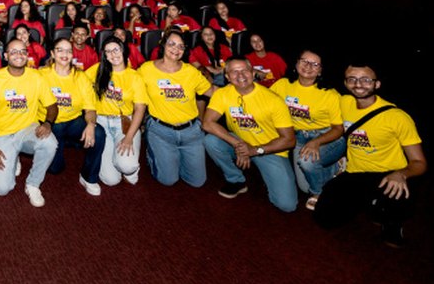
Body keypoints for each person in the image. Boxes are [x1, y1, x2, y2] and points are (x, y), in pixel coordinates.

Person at [314, 64, 427, 247]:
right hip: (356, 173)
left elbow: (419, 162)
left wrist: (402, 174)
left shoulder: (397, 117)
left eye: (366, 80)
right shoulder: (344, 102)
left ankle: (392, 222)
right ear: (345, 83)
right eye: (352, 79)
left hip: (387, 174)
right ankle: (369, 203)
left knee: (399, 191)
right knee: (324, 219)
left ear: (377, 84)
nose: (358, 84)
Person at [202, 57, 298, 212]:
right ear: (227, 77)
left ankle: (269, 176)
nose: (240, 75)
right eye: (234, 71)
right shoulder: (222, 94)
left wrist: (255, 150)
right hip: (241, 141)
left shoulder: (273, 100)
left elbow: (289, 140)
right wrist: (238, 144)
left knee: (287, 205)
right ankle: (236, 180)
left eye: (245, 70)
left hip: (269, 149)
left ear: (253, 73)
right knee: (211, 141)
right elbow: (207, 123)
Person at [0, 39, 59, 207]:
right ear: (6, 56)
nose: (19, 55)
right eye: (13, 52)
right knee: (2, 189)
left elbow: (52, 106)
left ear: (27, 56)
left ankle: (33, 184)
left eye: (22, 51)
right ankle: (13, 158)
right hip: (1, 135)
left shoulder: (36, 77)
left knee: (50, 143)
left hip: (26, 130)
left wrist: (48, 123)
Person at [269, 51, 345, 210]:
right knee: (304, 186)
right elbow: (266, 105)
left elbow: (338, 129)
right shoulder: (282, 85)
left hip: (327, 137)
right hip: (298, 138)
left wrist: (316, 142)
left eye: (315, 64)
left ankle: (318, 192)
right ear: (296, 64)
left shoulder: (329, 94)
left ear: (320, 70)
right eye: (304, 61)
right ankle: (336, 166)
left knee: (307, 164)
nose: (308, 66)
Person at [137, 30, 215, 187]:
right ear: (163, 45)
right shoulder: (146, 70)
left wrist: (240, 92)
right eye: (171, 44)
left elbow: (213, 91)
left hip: (191, 133)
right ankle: (153, 153)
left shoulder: (191, 72)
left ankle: (174, 158)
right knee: (168, 180)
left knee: (197, 182)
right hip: (161, 131)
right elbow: (129, 88)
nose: (176, 49)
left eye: (181, 46)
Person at [42, 38, 105, 195]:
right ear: (52, 53)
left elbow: (90, 108)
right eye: (60, 50)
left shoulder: (81, 77)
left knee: (98, 133)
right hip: (50, 124)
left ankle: (88, 176)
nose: (65, 54)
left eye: (69, 51)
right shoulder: (41, 74)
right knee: (55, 169)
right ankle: (66, 143)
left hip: (73, 121)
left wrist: (90, 125)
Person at [87, 36, 147, 187]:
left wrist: (129, 137)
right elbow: (76, 78)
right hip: (102, 123)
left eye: (116, 50)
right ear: (105, 56)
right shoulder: (97, 70)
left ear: (123, 50)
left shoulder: (135, 76)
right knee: (110, 180)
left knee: (127, 166)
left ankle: (131, 169)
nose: (113, 54)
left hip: (124, 123)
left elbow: (140, 109)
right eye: (108, 52)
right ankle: (117, 158)